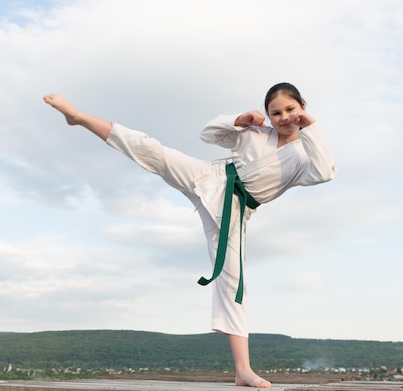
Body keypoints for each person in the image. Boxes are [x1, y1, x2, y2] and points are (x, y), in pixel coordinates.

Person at [43, 83, 336, 388]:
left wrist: (311, 127)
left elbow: (325, 171)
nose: (284, 117)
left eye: (291, 109)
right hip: (211, 177)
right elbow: (209, 134)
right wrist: (240, 119)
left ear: (303, 106)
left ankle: (243, 370)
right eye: (276, 112)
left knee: (233, 282)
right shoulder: (257, 132)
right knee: (153, 151)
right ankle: (78, 117)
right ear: (268, 115)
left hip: (234, 211)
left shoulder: (303, 156)